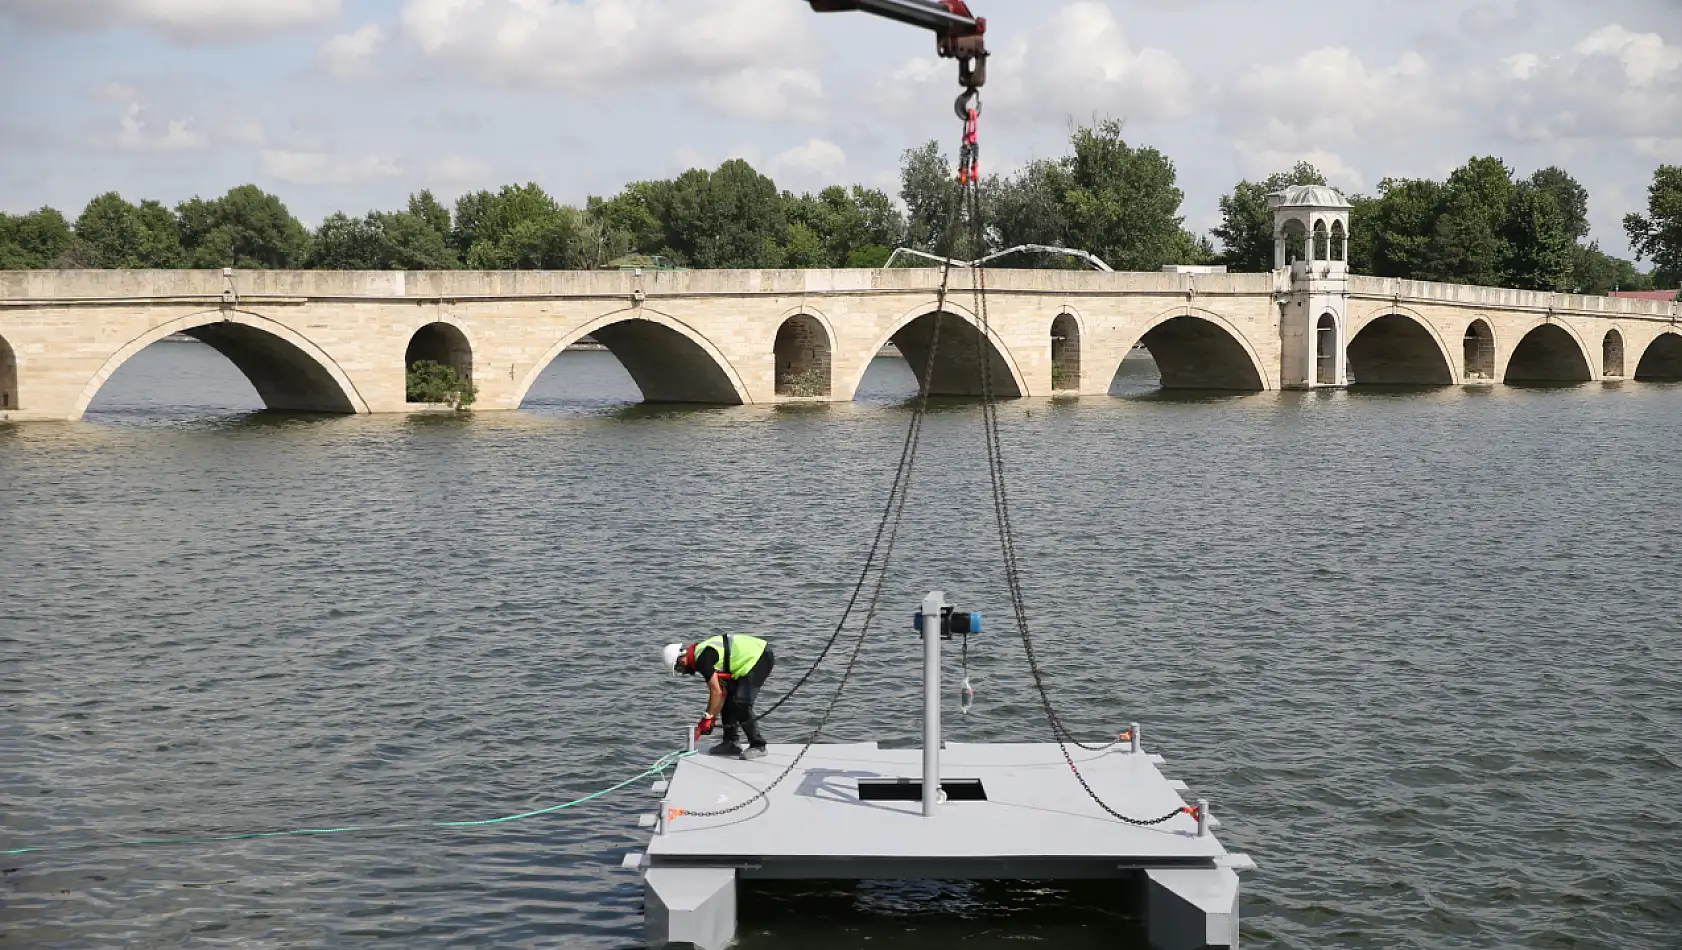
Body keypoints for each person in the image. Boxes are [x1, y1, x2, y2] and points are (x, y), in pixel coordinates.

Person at [663, 634, 775, 760]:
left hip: (759, 657)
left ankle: (758, 745)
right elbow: (721, 694)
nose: (682, 673)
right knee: (729, 699)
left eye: (679, 669)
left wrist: (708, 717)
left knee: (741, 702)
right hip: (748, 661)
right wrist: (710, 718)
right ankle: (730, 742)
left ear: (682, 659)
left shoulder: (702, 659)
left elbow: (716, 693)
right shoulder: (701, 655)